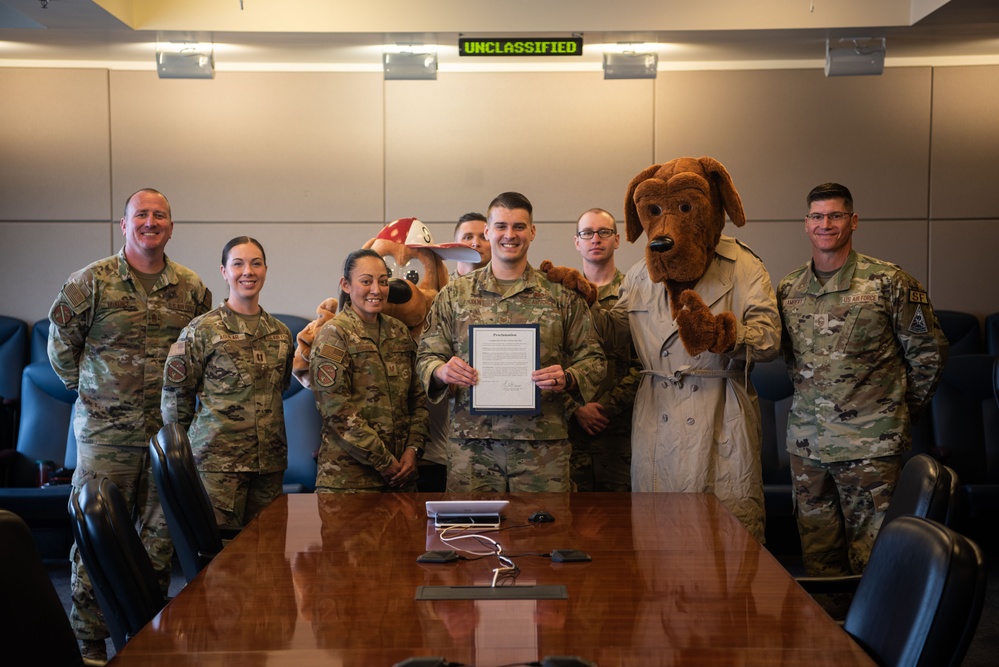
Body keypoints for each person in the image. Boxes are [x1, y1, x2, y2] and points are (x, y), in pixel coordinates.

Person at [47, 188, 211, 665]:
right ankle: (91, 641)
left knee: (158, 539)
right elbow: (61, 348)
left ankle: (146, 633)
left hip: (164, 434)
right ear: (124, 225)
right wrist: (96, 393)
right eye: (141, 214)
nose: (150, 222)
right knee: (96, 537)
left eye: (160, 215)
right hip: (104, 437)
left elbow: (201, 350)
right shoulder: (91, 281)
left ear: (171, 227)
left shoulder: (190, 287)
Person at [778, 182, 948, 581]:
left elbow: (930, 354)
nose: (826, 224)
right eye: (817, 216)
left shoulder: (889, 282)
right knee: (818, 560)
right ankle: (829, 638)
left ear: (853, 221)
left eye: (836, 215)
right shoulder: (789, 289)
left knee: (874, 561)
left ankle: (873, 642)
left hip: (870, 447)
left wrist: (895, 413)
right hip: (808, 447)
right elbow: (786, 358)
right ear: (806, 224)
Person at [416, 191, 606, 493]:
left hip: (542, 450)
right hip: (472, 448)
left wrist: (568, 377)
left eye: (519, 226)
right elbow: (427, 355)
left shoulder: (560, 296)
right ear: (488, 231)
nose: (510, 235)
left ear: (532, 232)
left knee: (545, 536)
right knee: (470, 536)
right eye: (501, 226)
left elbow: (594, 358)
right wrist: (442, 371)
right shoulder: (454, 295)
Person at [161, 236, 293, 529]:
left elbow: (279, 388)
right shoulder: (202, 330)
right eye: (238, 264)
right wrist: (179, 459)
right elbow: (175, 398)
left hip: (268, 464)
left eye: (256, 263)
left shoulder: (281, 333)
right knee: (219, 560)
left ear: (266, 270)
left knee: (268, 556)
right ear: (224, 271)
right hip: (217, 465)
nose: (248, 271)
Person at [309, 249, 428, 492]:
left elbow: (418, 398)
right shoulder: (334, 335)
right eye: (366, 281)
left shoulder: (398, 331)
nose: (376, 289)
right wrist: (383, 461)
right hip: (349, 482)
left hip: (401, 479)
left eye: (383, 281)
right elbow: (336, 410)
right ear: (345, 285)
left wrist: (413, 449)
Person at [567, 208, 636, 491]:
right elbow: (549, 360)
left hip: (622, 433)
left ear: (617, 239)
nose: (595, 239)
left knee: (622, 524)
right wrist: (576, 408)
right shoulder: (563, 295)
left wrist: (606, 408)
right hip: (571, 433)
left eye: (604, 232)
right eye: (587, 233)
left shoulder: (635, 293)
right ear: (577, 242)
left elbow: (647, 361)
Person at [452, 211, 491, 277]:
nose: (476, 243)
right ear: (455, 246)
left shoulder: (507, 285)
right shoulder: (440, 285)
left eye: (483, 237)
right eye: (468, 237)